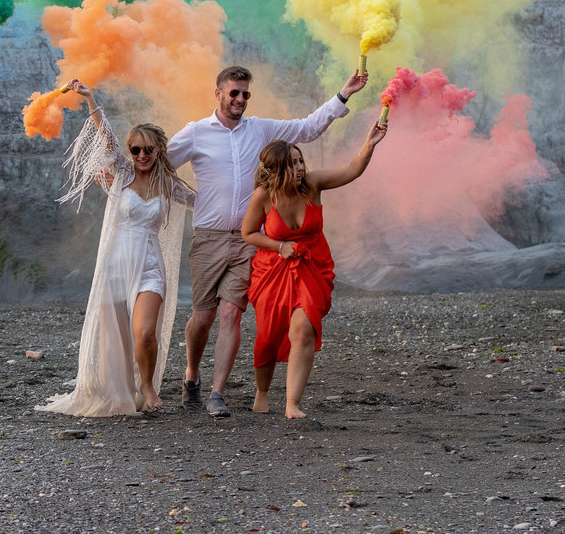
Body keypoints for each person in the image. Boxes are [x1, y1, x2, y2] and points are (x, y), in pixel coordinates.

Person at [167, 65, 367, 417]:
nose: (240, 99)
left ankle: (217, 393)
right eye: (234, 93)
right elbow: (158, 165)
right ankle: (192, 374)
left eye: (245, 94)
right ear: (218, 93)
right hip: (209, 237)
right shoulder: (196, 133)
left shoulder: (260, 129)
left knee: (231, 312)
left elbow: (306, 128)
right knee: (203, 317)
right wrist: (188, 198)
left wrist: (343, 94)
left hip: (252, 241)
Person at [37, 79, 196, 416]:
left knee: (144, 332)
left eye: (148, 150)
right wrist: (92, 99)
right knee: (118, 340)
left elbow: (206, 203)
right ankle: (121, 388)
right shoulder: (121, 173)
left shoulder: (169, 184)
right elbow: (105, 137)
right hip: (117, 266)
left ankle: (147, 384)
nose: (140, 155)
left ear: (159, 151)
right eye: (135, 149)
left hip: (151, 266)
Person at [241, 122, 385, 418]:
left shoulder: (313, 184)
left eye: (300, 161)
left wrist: (369, 145)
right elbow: (248, 233)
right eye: (292, 164)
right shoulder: (263, 196)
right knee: (268, 337)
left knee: (303, 330)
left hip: (312, 269)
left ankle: (292, 403)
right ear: (278, 170)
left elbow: (351, 170)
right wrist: (280, 246)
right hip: (273, 272)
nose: (300, 168)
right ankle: (263, 391)